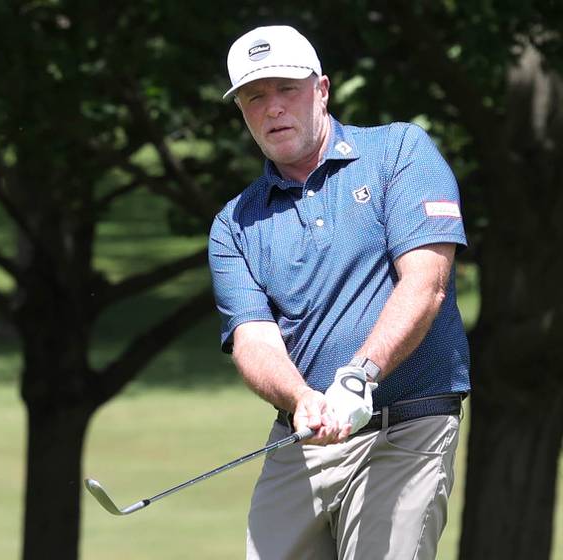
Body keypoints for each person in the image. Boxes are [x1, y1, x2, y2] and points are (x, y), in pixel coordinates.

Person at [208, 25, 470, 559]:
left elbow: (426, 285)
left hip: (407, 428)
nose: (272, 108)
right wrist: (301, 398)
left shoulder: (399, 151)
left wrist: (360, 374)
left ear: (322, 90)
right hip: (304, 439)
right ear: (242, 112)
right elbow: (253, 339)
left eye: (286, 89)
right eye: (255, 97)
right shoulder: (235, 223)